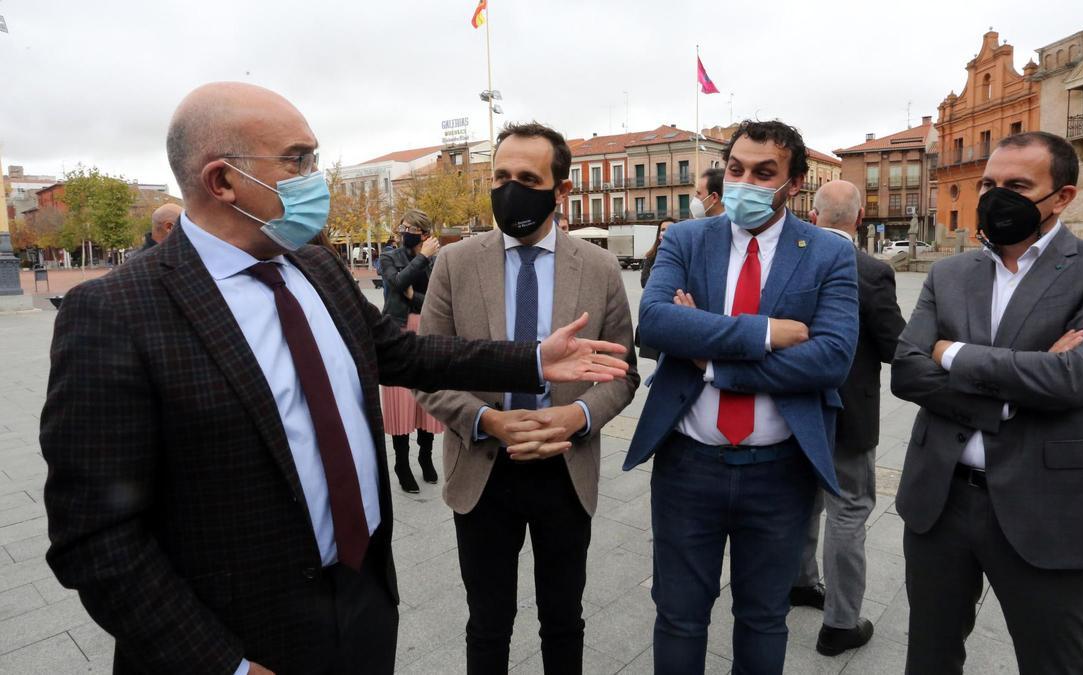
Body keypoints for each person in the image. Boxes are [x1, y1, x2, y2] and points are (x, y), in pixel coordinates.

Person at [40, 82, 630, 675]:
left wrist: (532, 358)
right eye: (298, 161)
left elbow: (408, 355)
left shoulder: (316, 267)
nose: (315, 180)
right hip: (244, 634)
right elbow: (94, 536)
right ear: (222, 182)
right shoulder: (114, 314)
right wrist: (225, 666)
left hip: (363, 603)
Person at [891, 131, 1083, 673]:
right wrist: (1017, 386)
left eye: (1017, 185)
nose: (994, 196)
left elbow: (1078, 376)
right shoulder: (950, 272)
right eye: (988, 184)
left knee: (1053, 659)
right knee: (930, 655)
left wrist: (952, 351)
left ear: (1063, 196)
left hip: (1048, 503)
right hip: (941, 500)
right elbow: (908, 372)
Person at [625, 119, 859, 674]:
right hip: (688, 467)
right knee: (679, 616)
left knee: (763, 618)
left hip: (779, 473)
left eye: (763, 173)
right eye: (735, 169)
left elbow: (830, 358)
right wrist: (761, 333)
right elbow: (655, 324)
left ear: (794, 183)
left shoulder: (828, 253)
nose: (744, 182)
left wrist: (710, 359)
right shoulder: (685, 238)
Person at [416, 122, 639, 675]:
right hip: (483, 471)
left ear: (561, 190)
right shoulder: (455, 263)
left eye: (527, 178)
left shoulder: (600, 267)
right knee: (487, 626)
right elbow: (427, 371)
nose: (510, 189)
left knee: (564, 621)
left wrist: (579, 415)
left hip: (565, 471)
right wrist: (488, 419)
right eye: (501, 176)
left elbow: (622, 372)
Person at [790, 180, 906, 656]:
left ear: (813, 217)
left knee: (801, 501)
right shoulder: (871, 270)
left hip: (793, 407)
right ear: (859, 220)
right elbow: (895, 345)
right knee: (848, 512)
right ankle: (840, 623)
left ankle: (798, 582)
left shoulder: (790, 262)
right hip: (849, 414)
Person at [378, 208, 443, 493]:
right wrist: (422, 257)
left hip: (427, 331)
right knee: (400, 400)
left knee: (427, 399)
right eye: (402, 226)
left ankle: (425, 457)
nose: (403, 231)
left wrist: (413, 296)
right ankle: (401, 464)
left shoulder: (438, 262)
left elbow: (437, 301)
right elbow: (397, 282)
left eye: (410, 227)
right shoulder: (388, 256)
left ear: (424, 232)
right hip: (397, 333)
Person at [637, 217, 677, 362]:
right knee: (658, 357)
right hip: (656, 313)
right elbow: (644, 282)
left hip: (674, 315)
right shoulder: (651, 256)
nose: (665, 233)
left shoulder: (683, 255)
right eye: (663, 230)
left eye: (670, 230)